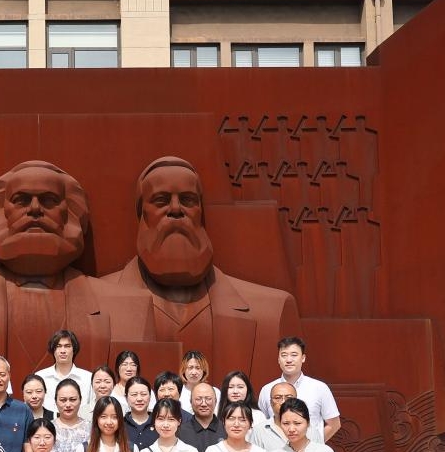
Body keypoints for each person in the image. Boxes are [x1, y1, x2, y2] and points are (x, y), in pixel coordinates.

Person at [0, 161, 153, 384]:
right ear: (0, 212)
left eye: (49, 200)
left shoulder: (132, 309)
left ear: (70, 213)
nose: (35, 209)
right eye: (21, 200)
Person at [104, 156, 301, 379]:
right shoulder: (98, 305)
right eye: (160, 200)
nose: (176, 209)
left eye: (188, 200)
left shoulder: (272, 311)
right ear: (142, 213)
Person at [257, 337, 341, 443]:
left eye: (294, 355)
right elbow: (262, 424)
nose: (289, 360)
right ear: (278, 359)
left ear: (303, 358)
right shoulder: (267, 390)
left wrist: (315, 444)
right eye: (284, 355)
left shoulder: (319, 388)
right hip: (274, 451)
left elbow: (334, 424)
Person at [36, 330, 93, 413]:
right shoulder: (40, 377)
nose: (62, 351)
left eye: (67, 346)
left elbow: (92, 409)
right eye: (58, 346)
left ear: (74, 349)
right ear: (53, 350)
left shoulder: (88, 378)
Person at [50, 379, 89, 452]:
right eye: (63, 400)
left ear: (80, 400)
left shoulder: (91, 428)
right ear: (56, 401)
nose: (68, 405)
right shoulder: (48, 428)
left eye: (72, 399)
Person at [250, 382, 294, 452]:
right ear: (270, 402)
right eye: (278, 398)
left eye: (289, 398)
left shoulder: (309, 429)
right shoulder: (259, 431)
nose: (283, 402)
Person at [123, 376, 156, 450]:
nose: (139, 399)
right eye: (134, 394)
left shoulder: (158, 423)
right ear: (126, 397)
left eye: (143, 394)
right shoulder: (120, 424)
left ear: (150, 396)